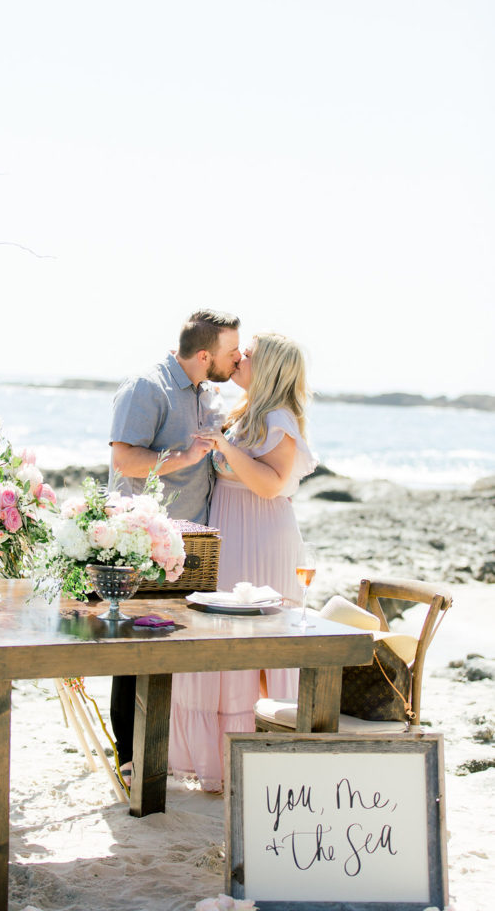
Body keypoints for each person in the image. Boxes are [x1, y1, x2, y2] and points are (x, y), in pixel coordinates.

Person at [168, 332, 317, 792]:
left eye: (248, 354)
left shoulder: (278, 417)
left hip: (262, 534)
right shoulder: (245, 410)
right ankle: (224, 761)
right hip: (230, 530)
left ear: (269, 367)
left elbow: (270, 485)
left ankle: (267, 760)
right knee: (225, 642)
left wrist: (225, 448)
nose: (239, 357)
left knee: (256, 642)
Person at [108, 309, 242, 787]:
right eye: (231, 352)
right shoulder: (147, 387)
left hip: (191, 543)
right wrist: (184, 457)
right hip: (140, 542)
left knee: (167, 647)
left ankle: (158, 750)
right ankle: (128, 757)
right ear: (205, 355)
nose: (238, 357)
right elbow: (125, 458)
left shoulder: (207, 391)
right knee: (134, 651)